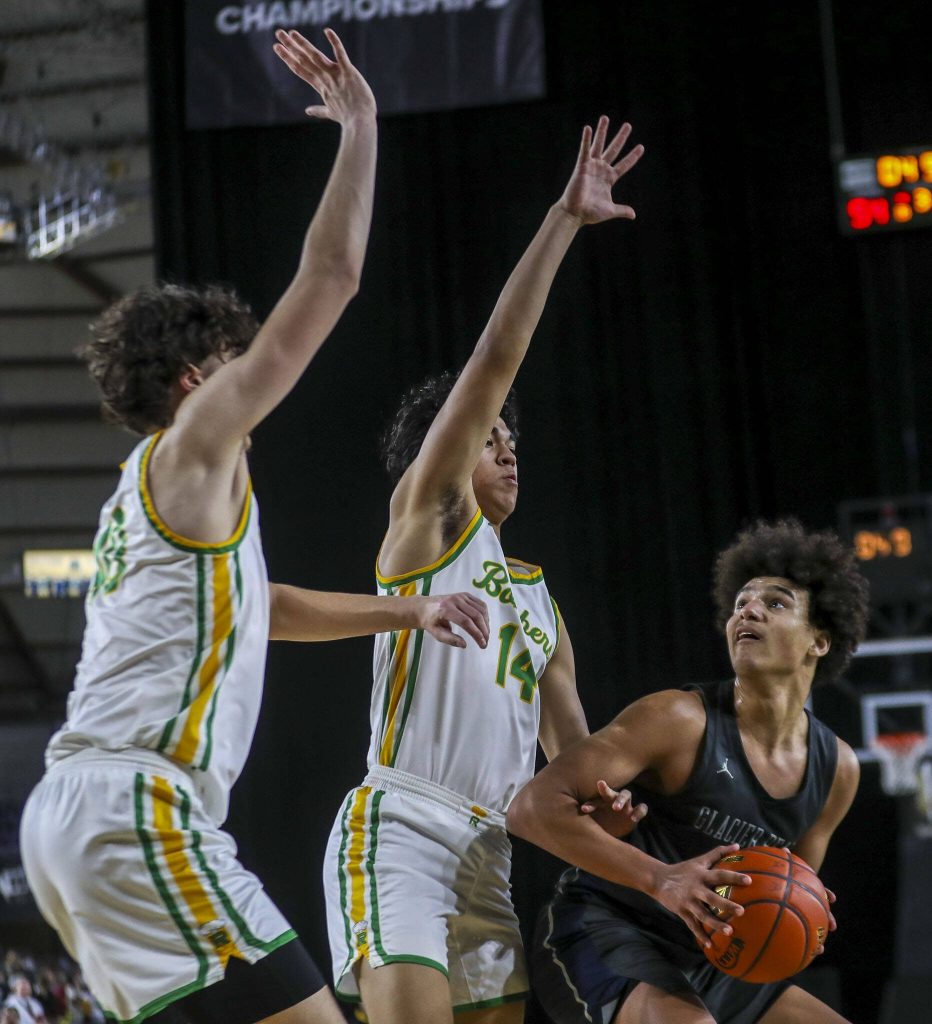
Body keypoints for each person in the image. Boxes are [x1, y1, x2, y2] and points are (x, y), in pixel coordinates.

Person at [19, 28, 489, 1024]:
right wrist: (359, 126)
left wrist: (406, 615)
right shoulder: (194, 445)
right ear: (197, 380)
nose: (255, 377)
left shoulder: (151, 506)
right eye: (237, 362)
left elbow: (259, 611)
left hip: (76, 818)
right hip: (134, 810)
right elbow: (329, 281)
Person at [321, 118, 646, 1023]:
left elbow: (572, 756)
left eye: (513, 441)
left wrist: (605, 808)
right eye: (490, 437)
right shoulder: (431, 527)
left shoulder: (540, 601)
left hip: (491, 854)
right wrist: (564, 221)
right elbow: (495, 358)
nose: (508, 451)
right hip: (403, 826)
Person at [506, 519, 871, 1024]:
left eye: (776, 602)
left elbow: (786, 896)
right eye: (741, 601)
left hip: (711, 954)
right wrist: (662, 880)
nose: (749, 609)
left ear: (819, 641)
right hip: (605, 927)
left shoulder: (838, 770)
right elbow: (529, 809)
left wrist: (807, 917)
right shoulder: (678, 719)